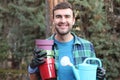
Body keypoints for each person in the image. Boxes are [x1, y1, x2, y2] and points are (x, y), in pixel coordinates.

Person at [28, 2, 105, 80]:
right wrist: (32, 67)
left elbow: (94, 76)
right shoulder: (44, 47)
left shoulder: (87, 46)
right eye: (58, 16)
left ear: (73, 20)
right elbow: (34, 78)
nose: (63, 21)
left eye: (67, 16)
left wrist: (100, 77)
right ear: (53, 20)